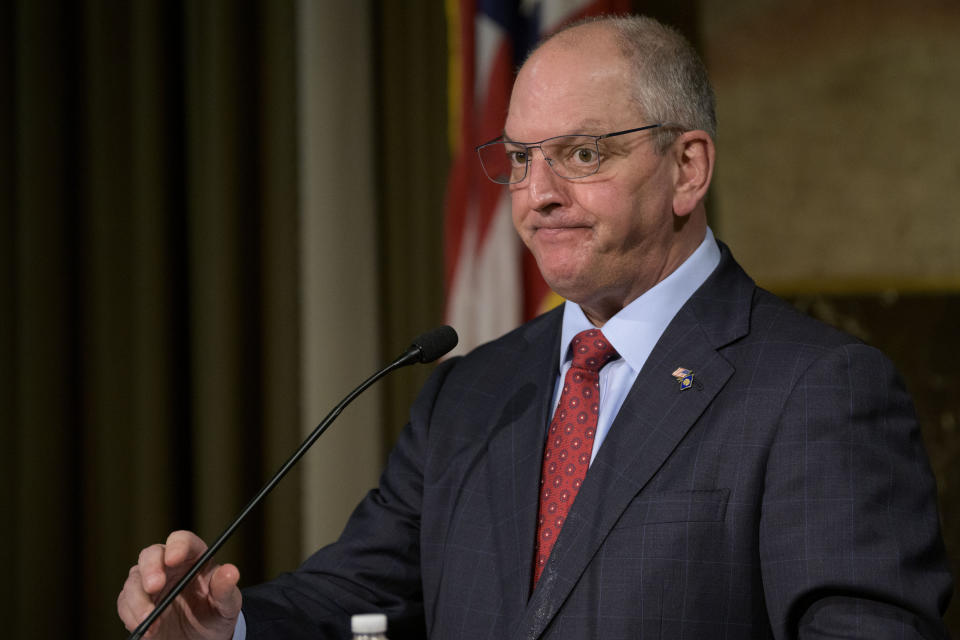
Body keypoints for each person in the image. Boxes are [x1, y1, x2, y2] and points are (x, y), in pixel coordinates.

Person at [118, 15, 953, 639]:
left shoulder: (816, 390)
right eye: (520, 159)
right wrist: (220, 624)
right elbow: (358, 595)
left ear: (687, 169)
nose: (538, 194)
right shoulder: (469, 393)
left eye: (582, 155)